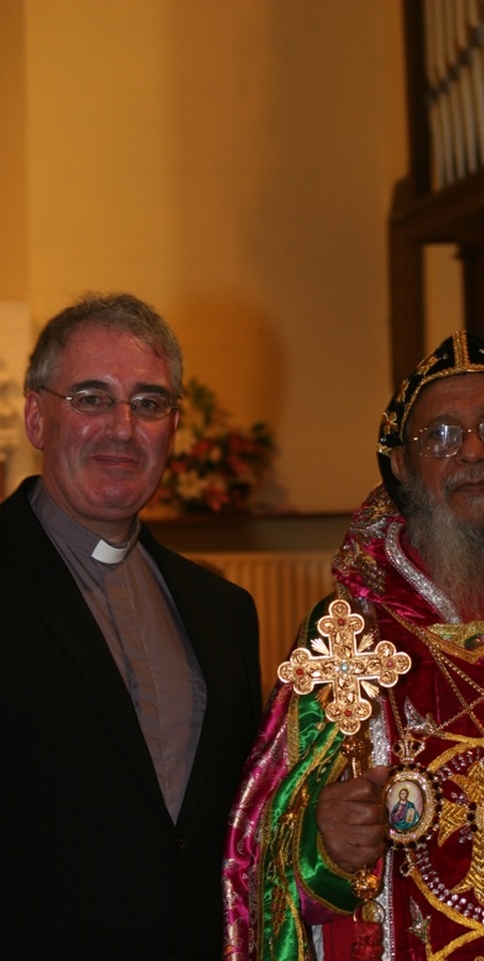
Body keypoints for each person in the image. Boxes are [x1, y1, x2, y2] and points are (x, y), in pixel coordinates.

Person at [223, 332, 484, 960]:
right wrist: (321, 847)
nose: (473, 451)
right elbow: (258, 850)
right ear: (401, 466)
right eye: (439, 436)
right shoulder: (348, 633)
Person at [0, 293, 262, 960]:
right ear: (36, 415)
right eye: (91, 398)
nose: (122, 427)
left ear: (172, 426)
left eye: (148, 403)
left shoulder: (223, 612)